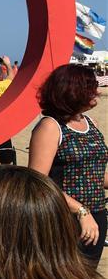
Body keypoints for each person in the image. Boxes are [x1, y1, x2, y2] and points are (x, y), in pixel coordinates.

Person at [28, 64, 107, 264]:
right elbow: (37, 181)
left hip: (96, 216)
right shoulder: (50, 127)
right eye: (91, 86)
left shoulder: (91, 123)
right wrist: (80, 211)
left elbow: (95, 175)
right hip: (63, 219)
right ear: (72, 90)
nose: (96, 91)